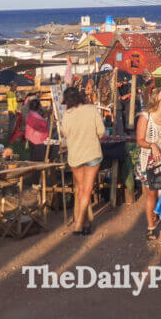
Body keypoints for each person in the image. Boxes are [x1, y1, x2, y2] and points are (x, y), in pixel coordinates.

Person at [61, 86, 105, 235]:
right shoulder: (91, 110)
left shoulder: (67, 115)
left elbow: (65, 133)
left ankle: (85, 224)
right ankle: (79, 223)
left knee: (81, 189)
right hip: (92, 153)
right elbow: (101, 132)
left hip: (75, 156)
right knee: (86, 190)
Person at [136, 86, 161, 240]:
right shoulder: (146, 117)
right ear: (158, 100)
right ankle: (151, 226)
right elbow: (140, 140)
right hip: (148, 160)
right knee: (152, 194)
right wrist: (152, 145)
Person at [25, 97, 50, 162]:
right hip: (39, 142)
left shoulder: (30, 116)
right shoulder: (39, 119)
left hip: (31, 140)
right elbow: (46, 131)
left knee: (33, 159)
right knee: (39, 160)